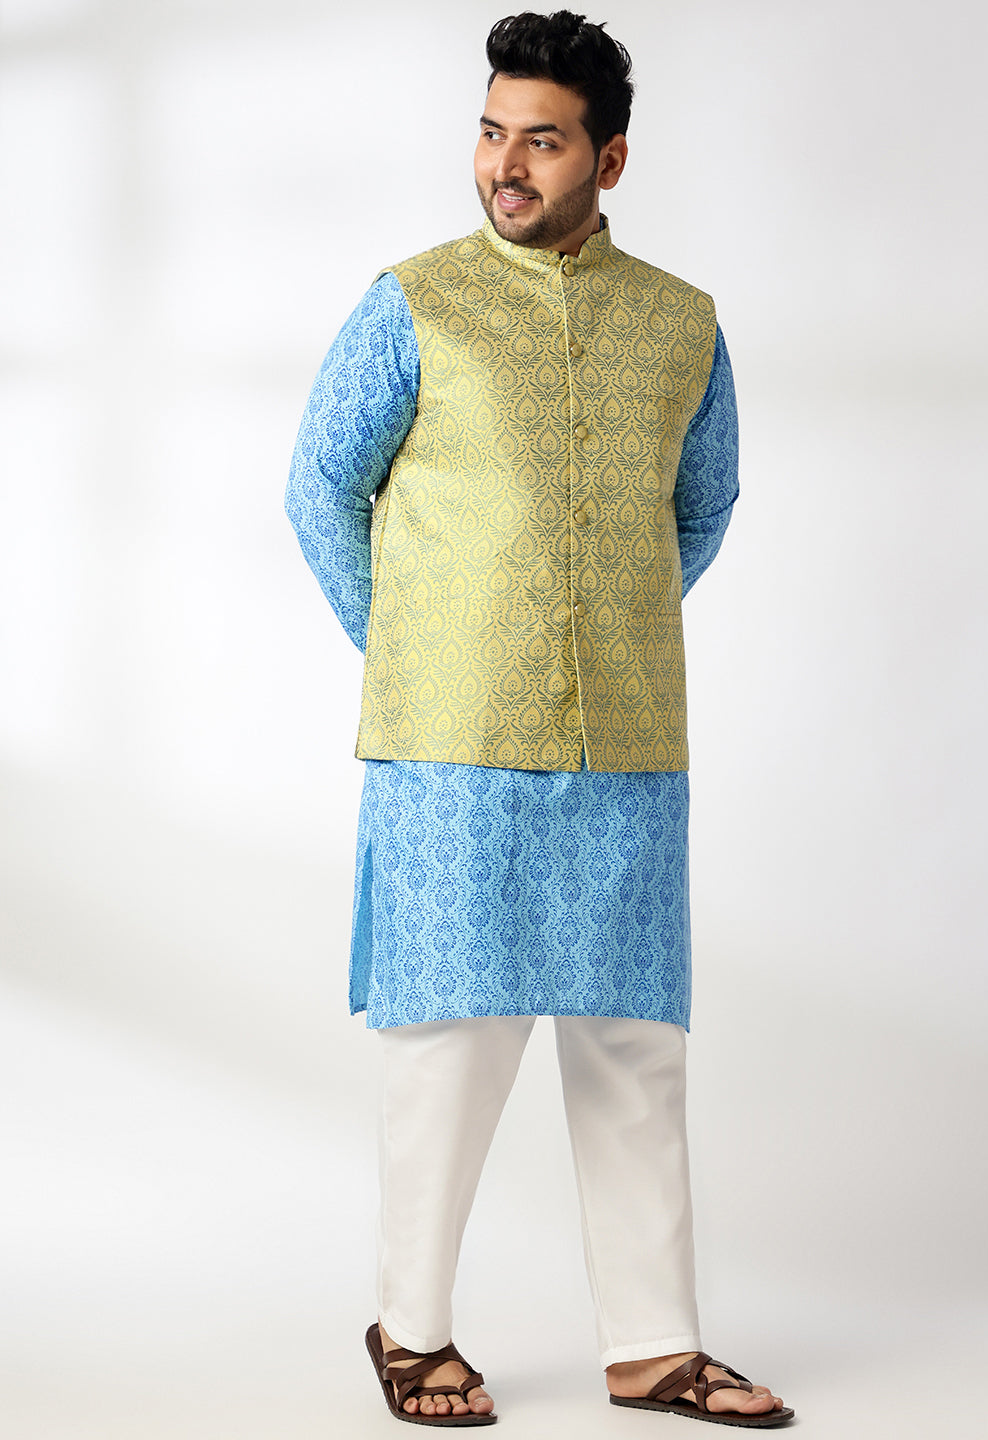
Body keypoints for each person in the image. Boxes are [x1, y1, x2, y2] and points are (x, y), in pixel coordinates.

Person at [287, 9, 792, 1429]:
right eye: (492, 133)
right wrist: (414, 645)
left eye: (544, 141)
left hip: (626, 739)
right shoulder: (414, 304)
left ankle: (655, 1347)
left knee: (635, 1046)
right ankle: (411, 1331)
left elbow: (702, 507)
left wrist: (604, 622)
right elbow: (321, 486)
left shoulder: (682, 324)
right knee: (453, 1043)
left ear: (609, 159)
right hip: (451, 744)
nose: (505, 166)